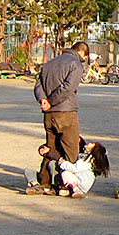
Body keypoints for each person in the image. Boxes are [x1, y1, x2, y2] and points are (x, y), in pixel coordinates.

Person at [30, 41, 89, 193]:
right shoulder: (76, 64)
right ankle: (66, 184)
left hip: (48, 115)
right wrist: (52, 101)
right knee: (71, 149)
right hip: (66, 112)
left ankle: (45, 182)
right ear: (82, 53)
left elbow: (38, 85)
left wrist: (43, 99)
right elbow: (68, 88)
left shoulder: (48, 64)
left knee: (50, 147)